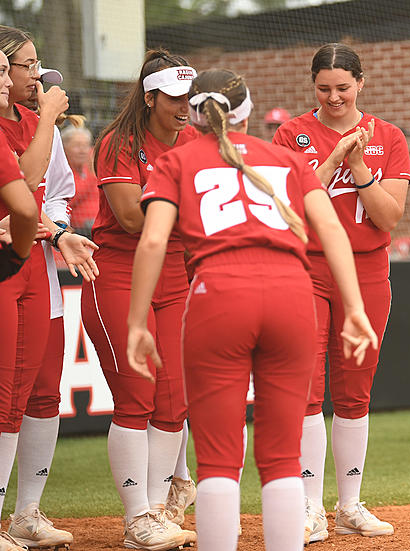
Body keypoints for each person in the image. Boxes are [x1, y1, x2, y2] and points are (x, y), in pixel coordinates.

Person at [127, 68, 378, 551]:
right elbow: (330, 230)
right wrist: (355, 308)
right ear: (245, 110)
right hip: (291, 293)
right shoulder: (284, 158)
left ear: (196, 113)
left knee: (220, 460)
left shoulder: (178, 160)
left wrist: (138, 321)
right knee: (283, 457)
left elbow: (154, 237)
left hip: (218, 294)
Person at [272, 43, 410, 542]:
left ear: (361, 83)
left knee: (355, 390)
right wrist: (334, 155)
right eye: (324, 88)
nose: (333, 97)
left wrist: (360, 169)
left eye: (343, 88)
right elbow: (290, 206)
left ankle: (350, 504)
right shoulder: (291, 132)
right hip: (306, 268)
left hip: (367, 270)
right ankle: (310, 508)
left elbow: (389, 216)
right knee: (306, 387)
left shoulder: (389, 136)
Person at [81, 49, 199, 549]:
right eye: (173, 97)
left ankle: (154, 512)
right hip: (120, 274)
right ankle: (137, 519)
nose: (183, 106)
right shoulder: (118, 141)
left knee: (174, 401)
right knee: (138, 396)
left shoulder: (195, 139)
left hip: (174, 275)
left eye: (188, 97)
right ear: (150, 97)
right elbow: (130, 219)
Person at [0, 26, 100, 550]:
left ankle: (27, 514)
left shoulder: (42, 124)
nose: (36, 75)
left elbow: (55, 193)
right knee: (6, 395)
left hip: (35, 265)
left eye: (38, 63)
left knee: (42, 393)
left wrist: (55, 229)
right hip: (6, 266)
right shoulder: (36, 126)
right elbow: (21, 179)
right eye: (25, 65)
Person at [61, 123, 99, 235]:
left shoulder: (94, 158)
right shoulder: (62, 169)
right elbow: (69, 199)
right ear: (64, 147)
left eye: (86, 145)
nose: (82, 151)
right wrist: (92, 176)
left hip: (101, 221)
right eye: (77, 146)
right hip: (79, 229)